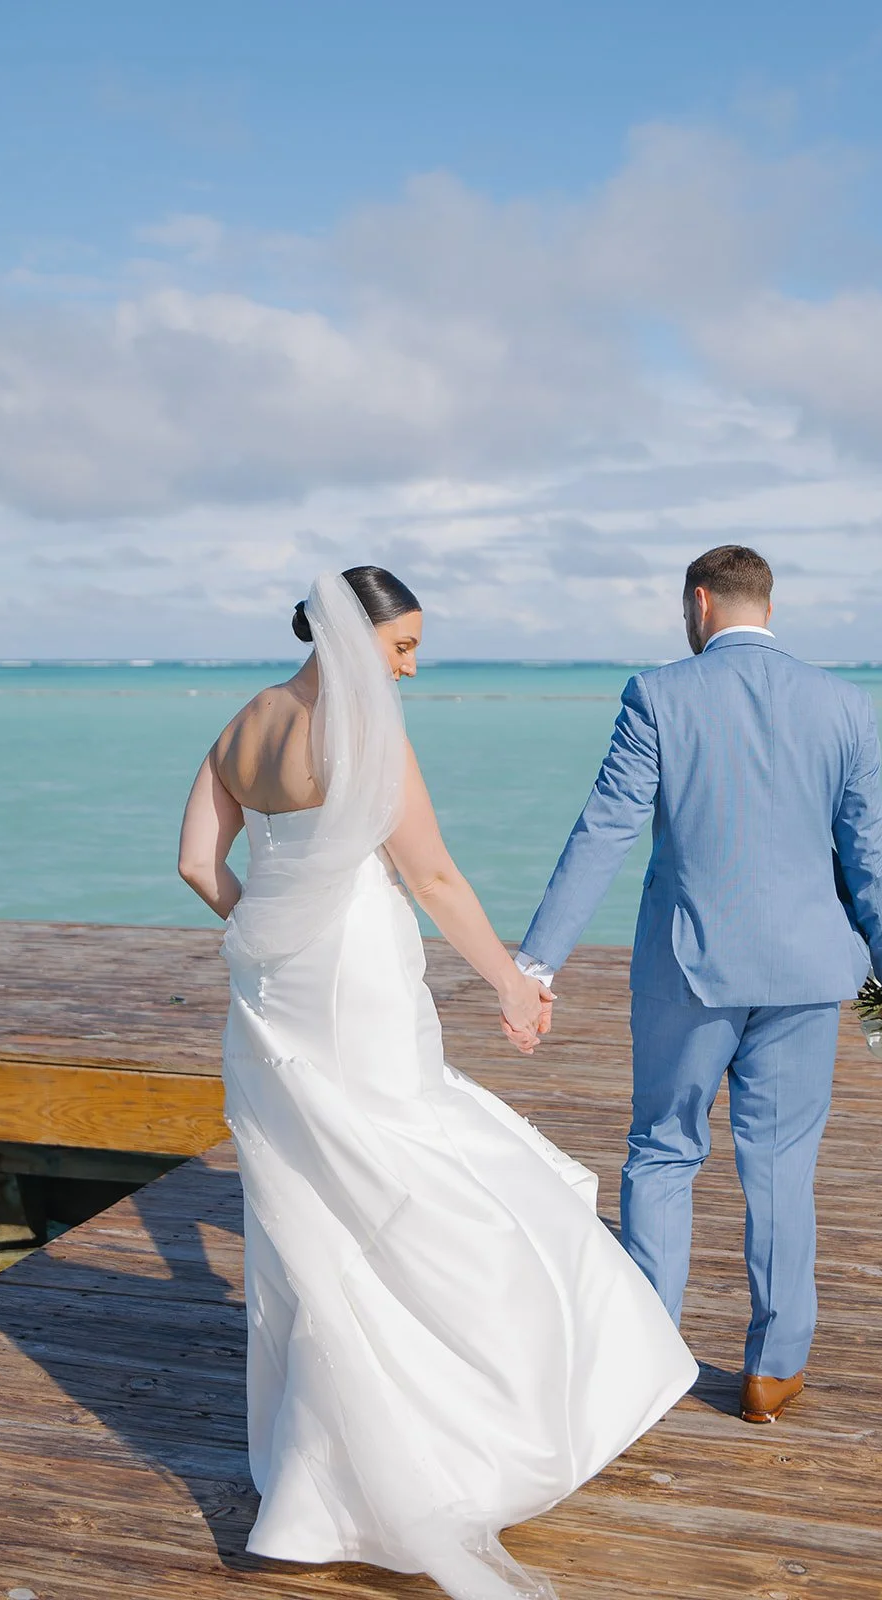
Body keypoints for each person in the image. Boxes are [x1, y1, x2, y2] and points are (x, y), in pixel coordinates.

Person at [178, 566, 696, 1600]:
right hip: (357, 976)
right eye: (402, 646)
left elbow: (198, 862)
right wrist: (512, 981)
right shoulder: (367, 739)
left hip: (273, 987)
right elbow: (435, 878)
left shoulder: (240, 726)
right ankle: (475, 1427)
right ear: (350, 636)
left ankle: (320, 1480)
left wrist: (269, 925)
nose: (410, 666)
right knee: (416, 1168)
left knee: (311, 1205)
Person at [517, 545, 882, 1426]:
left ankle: (651, 1363)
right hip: (809, 974)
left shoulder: (657, 694)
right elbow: (869, 853)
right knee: (780, 1170)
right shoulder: (844, 705)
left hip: (688, 972)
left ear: (699, 603)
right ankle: (772, 1374)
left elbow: (604, 831)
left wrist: (537, 959)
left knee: (663, 1153)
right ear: (764, 607)